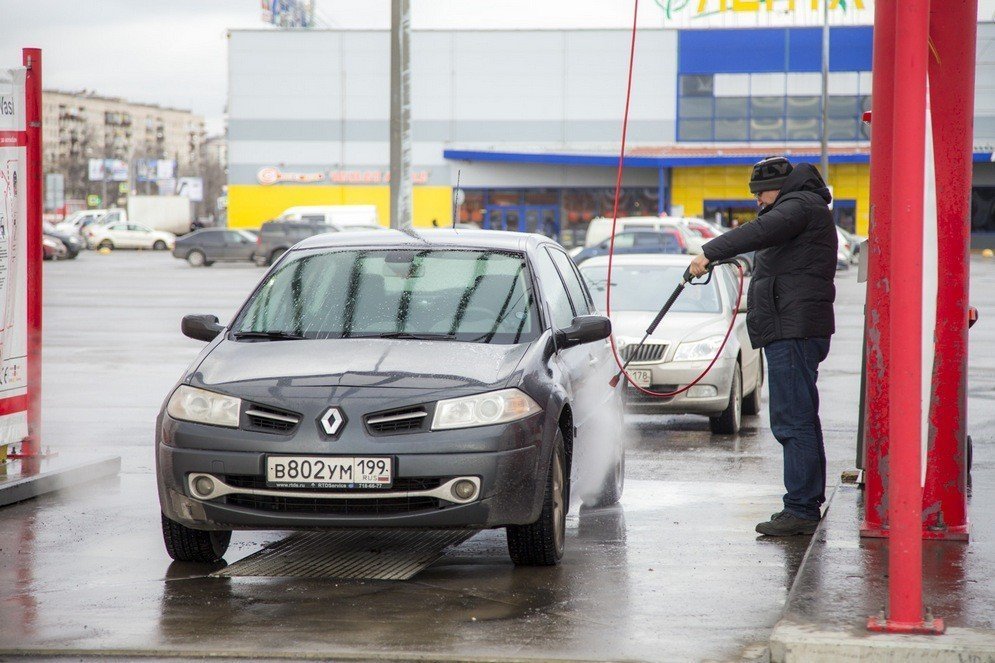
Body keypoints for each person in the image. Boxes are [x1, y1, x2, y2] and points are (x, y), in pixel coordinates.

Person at [689, 156, 837, 536]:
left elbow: (758, 231)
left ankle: (801, 508)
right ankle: (805, 503)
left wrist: (709, 252)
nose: (757, 201)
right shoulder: (802, 207)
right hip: (792, 328)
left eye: (760, 193)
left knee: (792, 418)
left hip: (794, 330)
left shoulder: (799, 206)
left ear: (780, 187)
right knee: (799, 415)